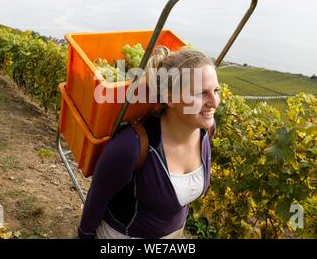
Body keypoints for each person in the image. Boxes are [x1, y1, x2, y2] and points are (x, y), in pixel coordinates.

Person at [78, 48, 221, 239]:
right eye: (201, 93)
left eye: (216, 90)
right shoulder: (131, 147)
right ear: (170, 97)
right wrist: (84, 235)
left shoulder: (206, 130)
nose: (214, 102)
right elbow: (97, 199)